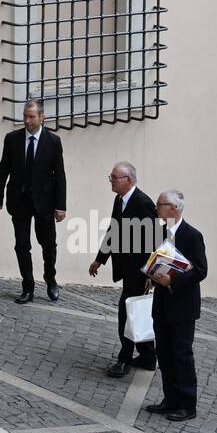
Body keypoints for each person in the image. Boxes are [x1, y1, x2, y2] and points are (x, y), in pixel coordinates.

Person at [0, 98, 67, 303]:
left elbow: (59, 175)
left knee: (48, 244)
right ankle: (28, 286)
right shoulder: (12, 139)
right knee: (22, 245)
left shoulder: (53, 142)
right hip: (20, 201)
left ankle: (50, 280)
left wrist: (61, 206)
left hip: (44, 202)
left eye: (31, 117)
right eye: (25, 116)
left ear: (42, 118)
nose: (27, 121)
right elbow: (3, 170)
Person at [89, 162, 158, 377]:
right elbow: (113, 231)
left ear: (128, 180)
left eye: (114, 177)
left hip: (139, 271)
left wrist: (151, 274)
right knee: (135, 313)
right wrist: (100, 259)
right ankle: (148, 357)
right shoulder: (119, 200)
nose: (111, 181)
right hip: (127, 269)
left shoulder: (143, 203)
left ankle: (125, 359)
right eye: (110, 176)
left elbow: (154, 241)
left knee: (127, 314)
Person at [145, 190, 208, 422]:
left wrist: (173, 281)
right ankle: (170, 399)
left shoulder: (192, 236)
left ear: (173, 208)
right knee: (164, 353)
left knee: (182, 355)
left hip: (182, 306)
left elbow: (201, 270)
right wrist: (151, 276)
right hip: (162, 304)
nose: (156, 208)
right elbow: (157, 260)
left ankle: (187, 405)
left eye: (159, 204)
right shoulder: (160, 232)